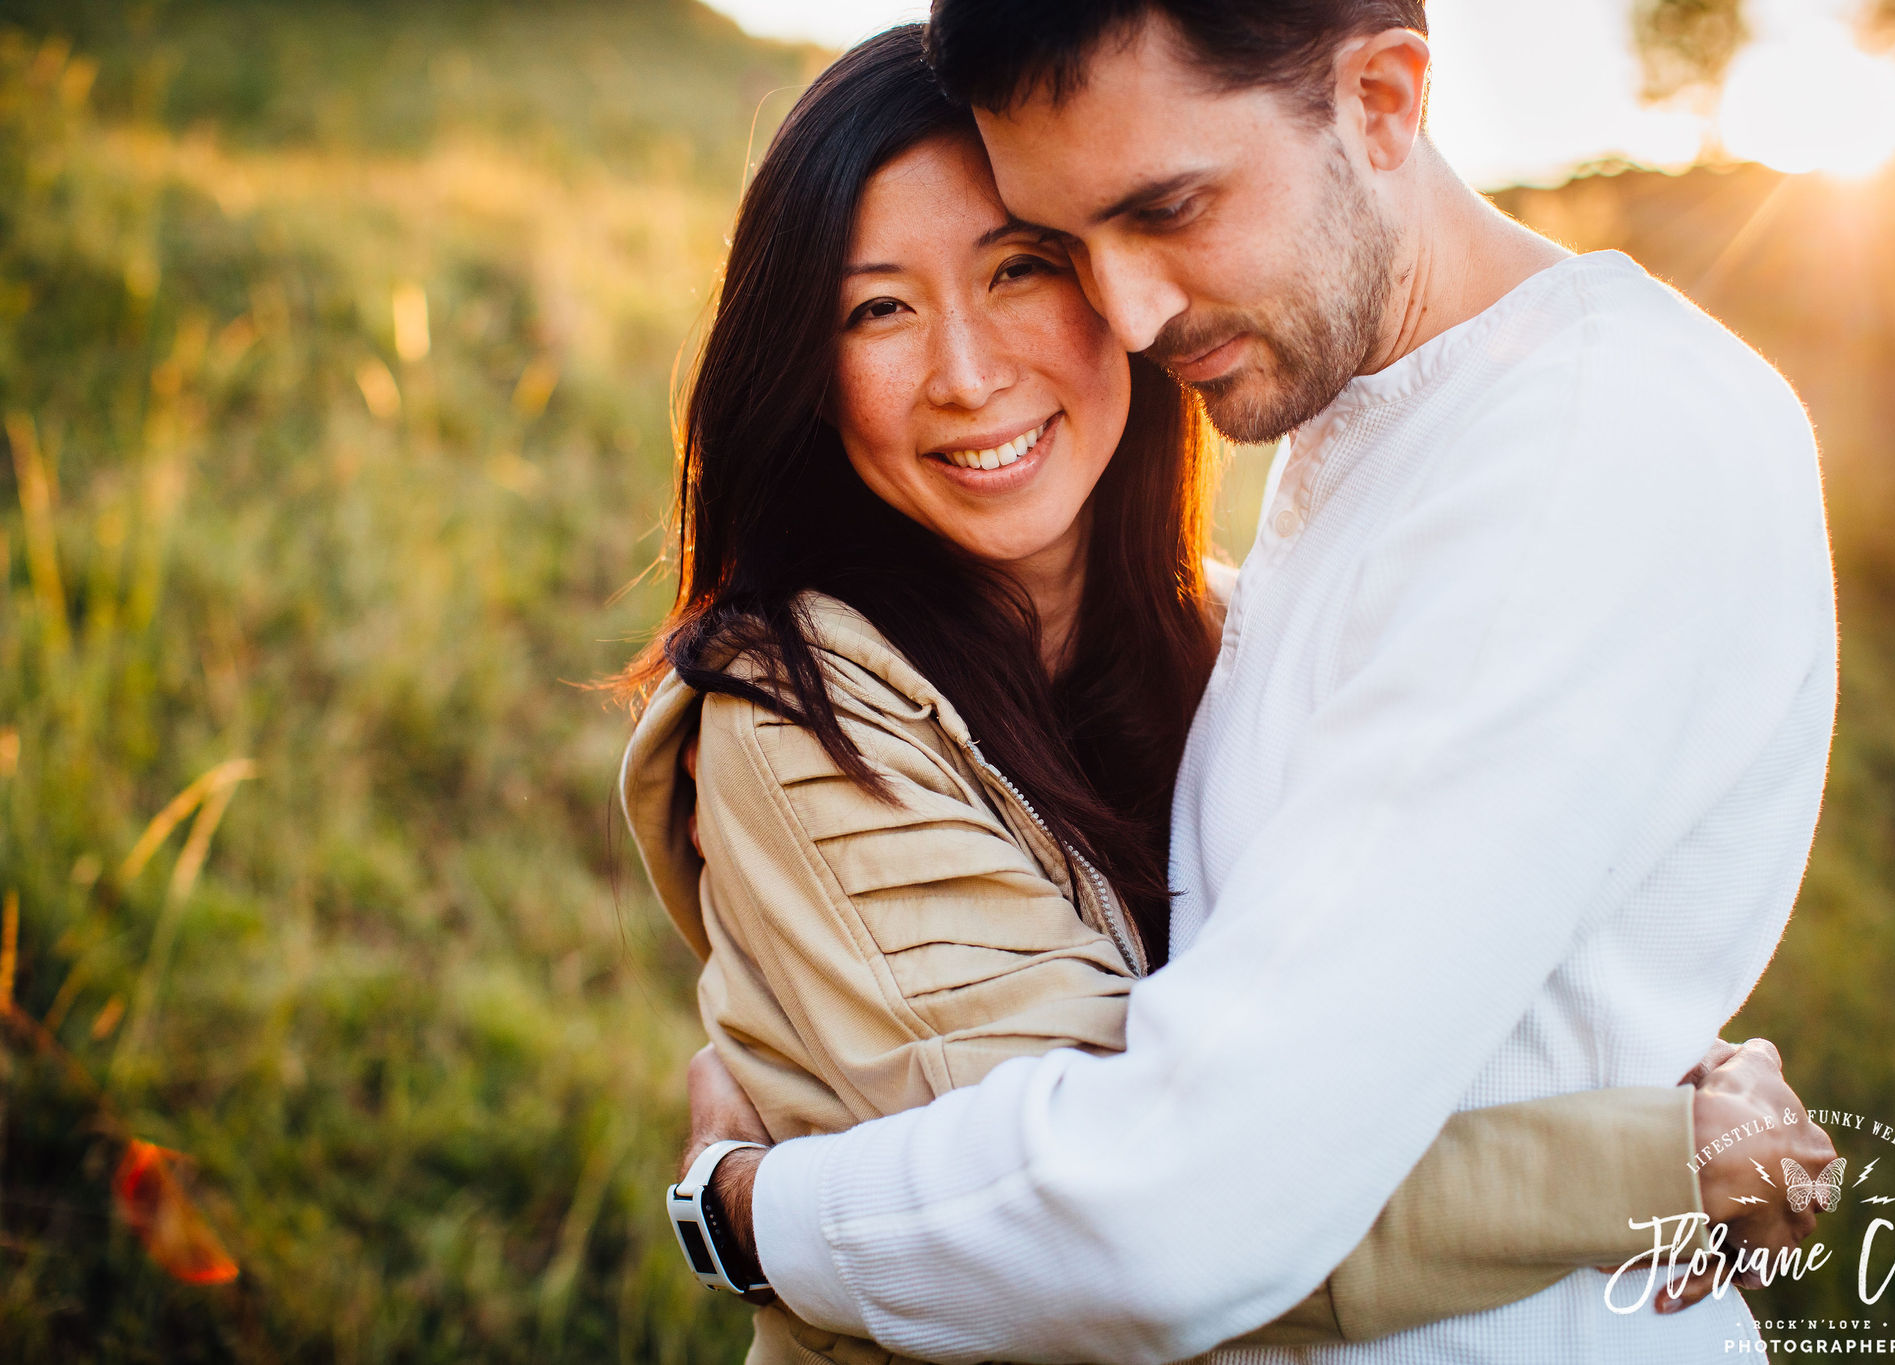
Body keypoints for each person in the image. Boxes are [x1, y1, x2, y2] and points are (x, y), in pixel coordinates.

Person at [624, 21, 1832, 1365]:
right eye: (1072, 241)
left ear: (1381, 101)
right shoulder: (1341, 478)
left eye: (1157, 213)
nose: (1129, 314)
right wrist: (1646, 1158)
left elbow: (1192, 1191)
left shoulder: (1579, 456)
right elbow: (1182, 1193)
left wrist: (753, 1209)